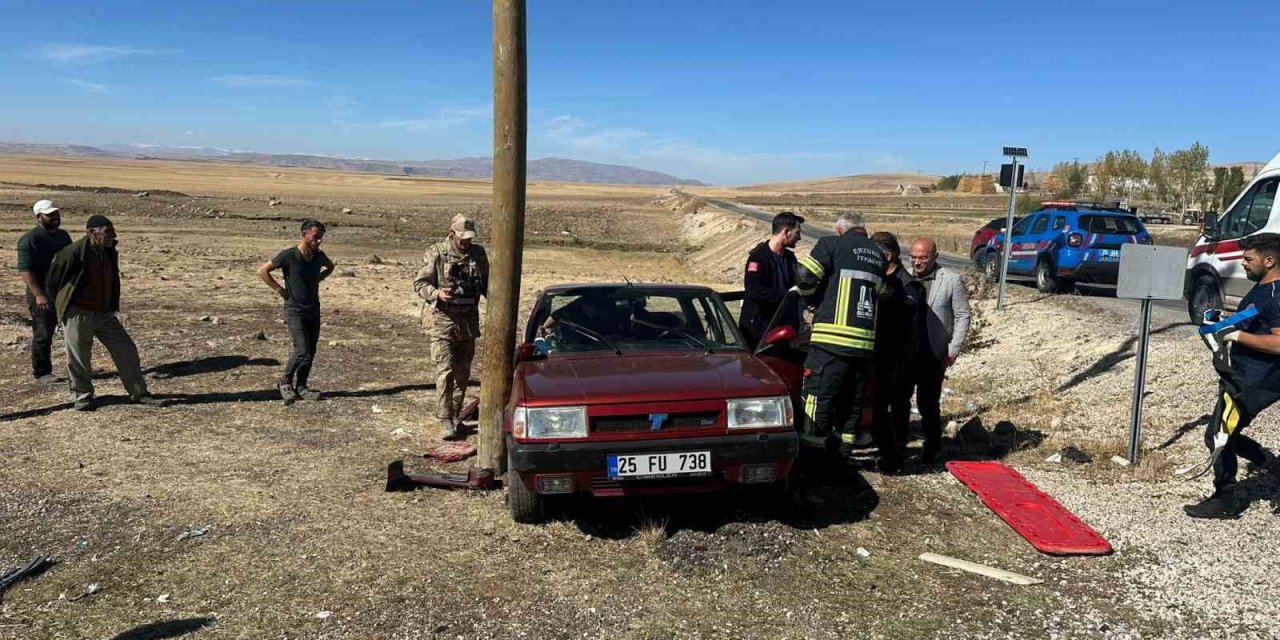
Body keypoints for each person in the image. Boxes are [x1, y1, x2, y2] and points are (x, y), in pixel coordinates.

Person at [1184, 233, 1280, 519]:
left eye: (1249, 259)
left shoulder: (1277, 294)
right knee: (1223, 432)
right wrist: (1227, 320)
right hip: (1243, 374)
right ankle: (1273, 467)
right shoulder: (1263, 288)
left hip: (1258, 379)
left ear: (1270, 261)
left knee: (1218, 435)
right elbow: (1256, 319)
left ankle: (1227, 499)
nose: (1243, 264)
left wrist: (1235, 334)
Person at [795, 211, 886, 472]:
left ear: (839, 229)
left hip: (829, 344)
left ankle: (811, 464)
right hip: (863, 348)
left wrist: (810, 299)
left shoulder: (831, 244)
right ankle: (840, 462)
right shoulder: (878, 255)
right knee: (850, 407)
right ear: (863, 230)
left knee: (816, 401)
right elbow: (878, 293)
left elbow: (804, 276)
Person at [45, 215, 162, 410]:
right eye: (108, 232)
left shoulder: (108, 251)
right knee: (79, 357)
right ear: (92, 232)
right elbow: (53, 283)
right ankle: (82, 397)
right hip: (78, 313)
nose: (113, 236)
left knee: (126, 350)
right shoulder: (71, 253)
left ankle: (139, 393)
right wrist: (61, 309)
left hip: (105, 313)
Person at [414, 216, 489, 441]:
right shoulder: (437, 252)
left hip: (467, 322)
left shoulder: (478, 254)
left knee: (463, 372)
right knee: (445, 371)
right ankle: (445, 418)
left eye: (469, 238)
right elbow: (420, 283)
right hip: (442, 322)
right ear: (452, 232)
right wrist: (437, 294)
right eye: (461, 237)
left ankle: (456, 416)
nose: (465, 242)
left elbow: (488, 285)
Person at [905, 237, 971, 463]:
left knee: (928, 402)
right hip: (906, 352)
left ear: (935, 256)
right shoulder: (903, 279)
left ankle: (932, 446)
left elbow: (962, 316)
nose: (917, 263)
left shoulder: (951, 280)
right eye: (913, 257)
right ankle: (899, 444)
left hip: (933, 353)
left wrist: (954, 348)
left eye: (922, 258)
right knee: (900, 399)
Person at [257, 219, 335, 402]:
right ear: (304, 235)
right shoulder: (289, 255)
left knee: (311, 350)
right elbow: (262, 271)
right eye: (316, 237)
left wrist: (319, 278)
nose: (319, 241)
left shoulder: (319, 256)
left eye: (321, 238)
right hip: (295, 309)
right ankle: (284, 382)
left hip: (313, 309)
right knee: (302, 349)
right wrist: (281, 291)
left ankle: (301, 386)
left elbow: (330, 266)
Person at [17, 199, 72, 384]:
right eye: (50, 215)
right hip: (41, 292)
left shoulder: (63, 236)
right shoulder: (29, 240)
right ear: (39, 217)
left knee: (74, 329)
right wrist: (38, 294)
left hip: (63, 290)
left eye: (56, 214)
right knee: (43, 332)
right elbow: (26, 270)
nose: (55, 218)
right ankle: (42, 372)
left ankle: (77, 367)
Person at [740, 211, 804, 349]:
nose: (799, 237)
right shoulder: (758, 258)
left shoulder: (790, 258)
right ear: (786, 232)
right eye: (797, 233)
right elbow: (754, 291)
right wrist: (787, 295)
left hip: (781, 326)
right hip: (758, 329)